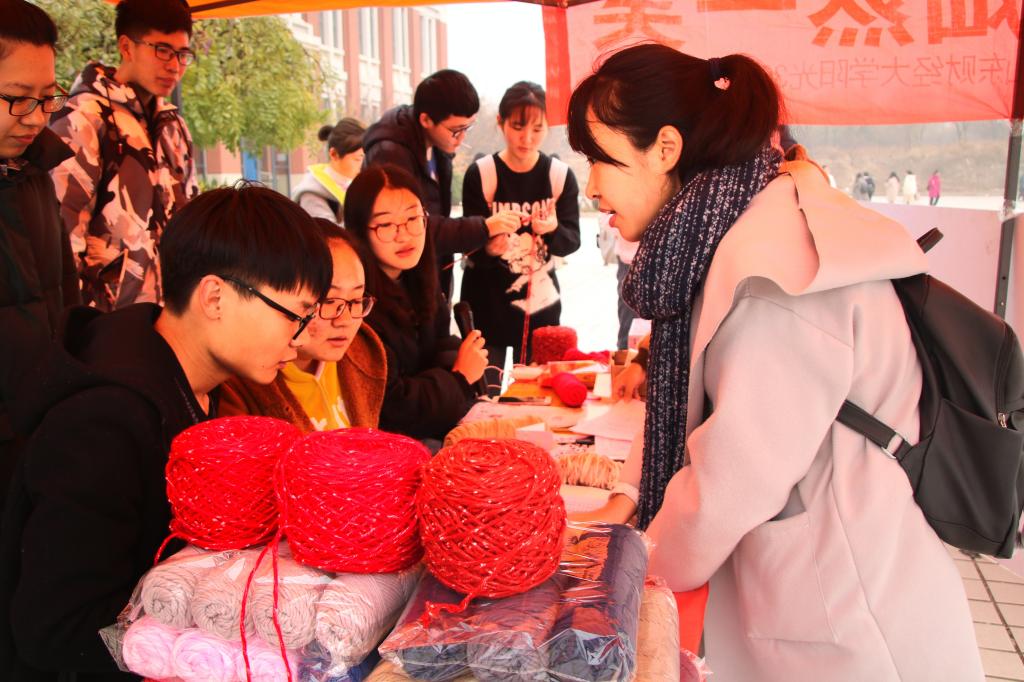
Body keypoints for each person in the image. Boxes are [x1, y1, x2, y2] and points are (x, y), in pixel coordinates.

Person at [566, 44, 982, 680]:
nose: (592, 185)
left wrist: (626, 564)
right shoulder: (734, 225)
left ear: (665, 149)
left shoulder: (774, 269)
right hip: (820, 599)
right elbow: (687, 398)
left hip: (850, 631)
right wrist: (626, 499)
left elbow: (732, 482)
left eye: (600, 158)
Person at [0, 184, 332, 681]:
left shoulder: (198, 387)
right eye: (294, 315)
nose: (301, 337)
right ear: (214, 297)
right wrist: (202, 642)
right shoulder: (103, 421)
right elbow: (56, 630)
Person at [49, 0, 199, 311]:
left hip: (172, 314)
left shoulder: (174, 125)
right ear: (127, 47)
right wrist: (76, 323)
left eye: (183, 54)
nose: (174, 65)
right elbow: (63, 235)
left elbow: (191, 223)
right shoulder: (84, 117)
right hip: (106, 319)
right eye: (162, 50)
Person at [0, 0, 80, 499]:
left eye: (47, 98)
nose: (35, 118)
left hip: (46, 434)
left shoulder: (34, 173)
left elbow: (64, 293)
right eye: (17, 98)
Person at [344, 164, 485, 444]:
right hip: (389, 447)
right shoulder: (357, 305)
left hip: (431, 425)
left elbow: (441, 344)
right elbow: (392, 406)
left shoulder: (417, 280)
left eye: (412, 218)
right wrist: (458, 378)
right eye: (386, 225)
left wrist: (459, 364)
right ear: (360, 232)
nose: (404, 234)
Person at [362, 69, 520, 298]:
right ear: (426, 119)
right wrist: (484, 227)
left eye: (467, 128)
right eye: (456, 131)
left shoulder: (437, 145)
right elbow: (415, 226)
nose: (462, 138)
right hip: (400, 284)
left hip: (429, 275)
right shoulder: (390, 155)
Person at [221, 220, 387, 430]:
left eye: (355, 300)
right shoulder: (240, 382)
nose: (345, 321)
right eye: (328, 301)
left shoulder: (364, 351)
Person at [460, 81, 581, 363]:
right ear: (500, 122)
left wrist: (552, 230)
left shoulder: (559, 176)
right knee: (489, 385)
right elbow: (468, 245)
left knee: (539, 386)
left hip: (540, 311)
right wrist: (489, 247)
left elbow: (572, 241)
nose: (527, 138)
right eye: (518, 127)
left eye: (537, 129)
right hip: (486, 308)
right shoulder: (482, 174)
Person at [294, 117, 365, 224]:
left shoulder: (354, 185)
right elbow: (329, 234)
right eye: (358, 159)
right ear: (334, 154)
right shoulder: (311, 194)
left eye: (365, 158)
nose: (363, 165)